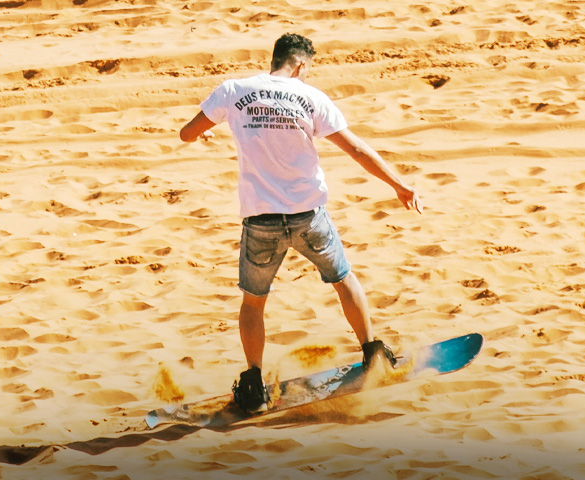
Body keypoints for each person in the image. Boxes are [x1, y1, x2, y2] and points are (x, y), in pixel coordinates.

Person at [179, 33, 422, 413]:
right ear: (301, 65)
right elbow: (356, 149)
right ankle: (372, 350)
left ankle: (253, 382)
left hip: (260, 219)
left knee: (253, 302)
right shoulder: (311, 97)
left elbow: (187, 133)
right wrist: (399, 185)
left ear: (275, 59)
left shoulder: (233, 90)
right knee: (343, 279)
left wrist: (206, 132)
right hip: (309, 215)